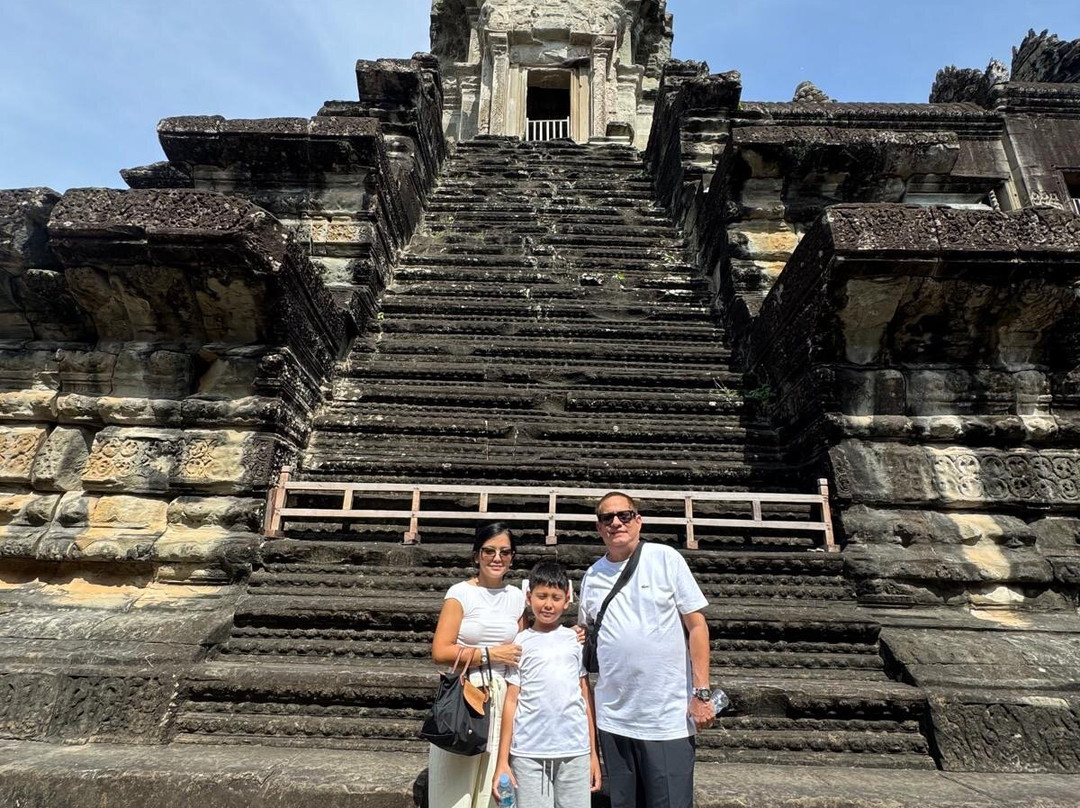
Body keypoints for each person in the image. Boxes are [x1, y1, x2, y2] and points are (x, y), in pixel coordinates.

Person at [578, 492, 715, 808]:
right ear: (599, 528)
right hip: (613, 718)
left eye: (624, 515)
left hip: (666, 717)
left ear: (638, 521)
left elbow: (697, 626)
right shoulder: (592, 576)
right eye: (607, 518)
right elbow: (587, 633)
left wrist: (702, 693)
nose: (615, 523)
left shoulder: (665, 559)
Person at [429, 522, 526, 808]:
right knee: (456, 789)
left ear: (512, 557)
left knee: (493, 789)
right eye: (489, 551)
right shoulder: (460, 594)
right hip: (467, 694)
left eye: (505, 552)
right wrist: (490, 655)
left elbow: (522, 646)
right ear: (476, 555)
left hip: (503, 697)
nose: (497, 558)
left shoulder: (517, 598)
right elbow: (440, 651)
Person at [491, 561, 602, 808]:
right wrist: (503, 760)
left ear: (567, 600)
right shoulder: (520, 643)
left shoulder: (575, 641)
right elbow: (511, 701)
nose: (548, 604)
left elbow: (584, 695)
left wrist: (594, 754)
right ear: (529, 597)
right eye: (541, 596)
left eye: (555, 597)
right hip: (528, 752)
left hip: (575, 750)